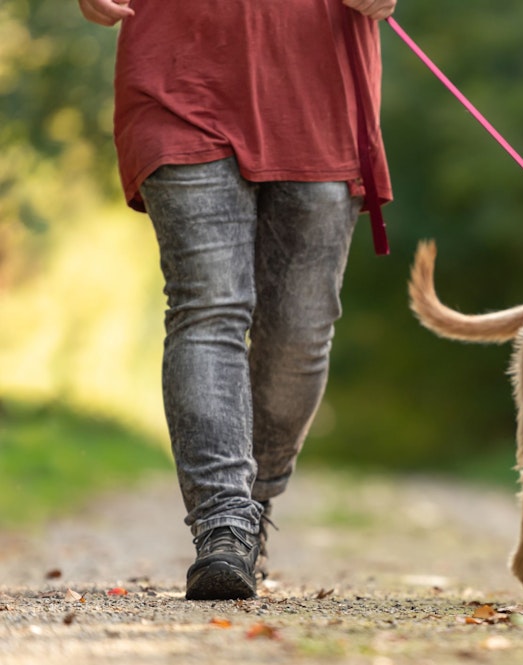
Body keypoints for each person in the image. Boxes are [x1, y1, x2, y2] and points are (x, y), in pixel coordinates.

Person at [78, 0, 397, 600]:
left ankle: (255, 499)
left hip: (318, 93)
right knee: (207, 305)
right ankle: (224, 524)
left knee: (300, 329)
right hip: (177, 77)